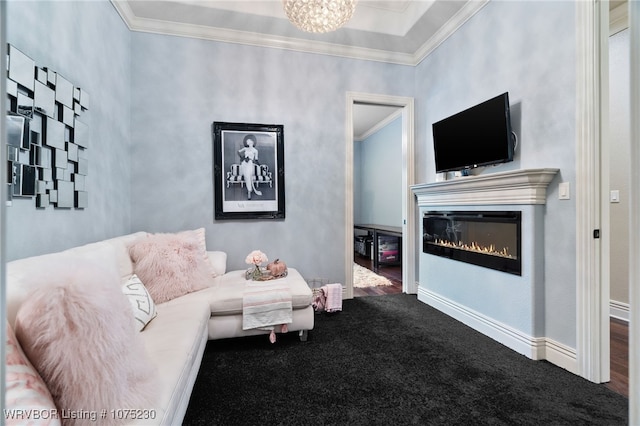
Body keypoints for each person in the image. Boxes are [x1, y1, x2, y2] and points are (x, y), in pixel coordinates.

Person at [238, 134, 262, 200]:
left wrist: (259, 165)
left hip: (250, 164)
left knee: (249, 177)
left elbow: (256, 160)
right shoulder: (245, 148)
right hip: (244, 164)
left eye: (248, 140)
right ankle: (249, 190)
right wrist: (242, 158)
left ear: (252, 141)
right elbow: (238, 152)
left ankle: (249, 191)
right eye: (246, 141)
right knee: (246, 177)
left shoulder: (255, 151)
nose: (246, 142)